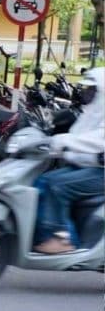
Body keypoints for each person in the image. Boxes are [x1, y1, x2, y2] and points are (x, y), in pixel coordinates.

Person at [32, 67, 104, 254]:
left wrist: (63, 142)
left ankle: (63, 239)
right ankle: (45, 234)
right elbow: (74, 139)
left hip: (100, 173)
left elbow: (97, 141)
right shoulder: (92, 112)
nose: (87, 93)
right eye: (87, 89)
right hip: (88, 167)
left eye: (92, 90)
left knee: (55, 185)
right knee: (41, 180)